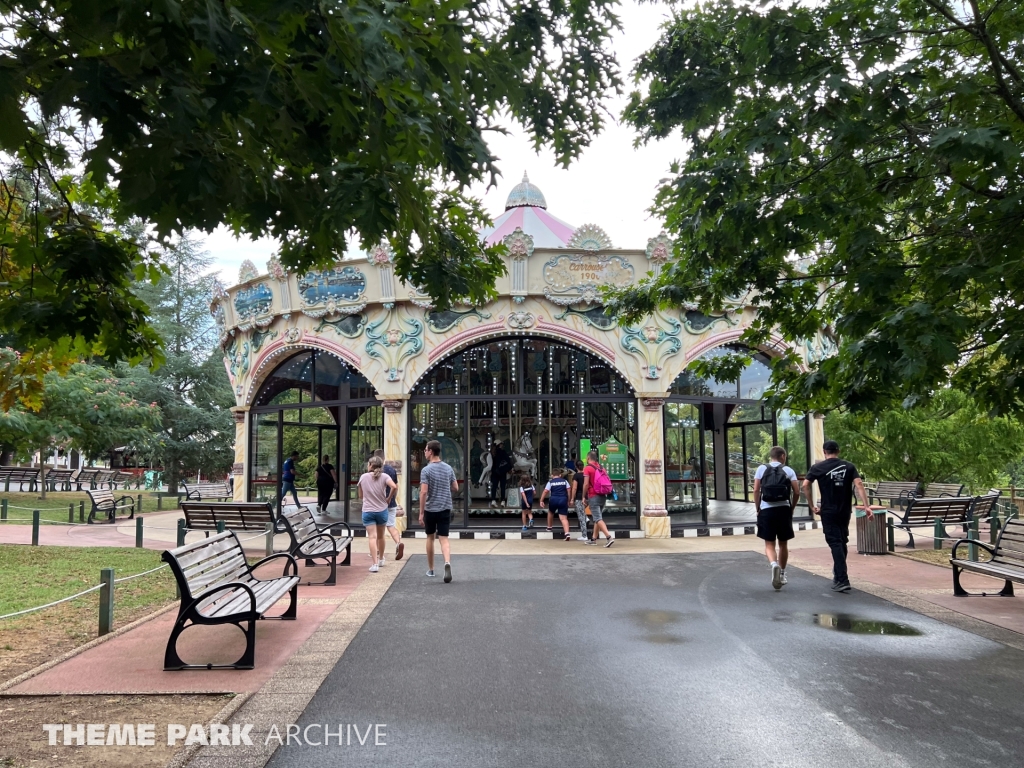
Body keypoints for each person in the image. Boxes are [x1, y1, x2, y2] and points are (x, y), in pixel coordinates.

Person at [803, 440, 872, 593]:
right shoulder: (849, 466)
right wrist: (866, 506)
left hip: (828, 510)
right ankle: (838, 574)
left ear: (824, 451)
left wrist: (811, 504)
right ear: (838, 451)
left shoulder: (817, 468)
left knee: (835, 542)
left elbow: (805, 485)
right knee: (841, 541)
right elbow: (859, 484)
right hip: (844, 510)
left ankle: (842, 579)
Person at [752, 446, 801, 590]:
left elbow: (756, 490)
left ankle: (774, 565)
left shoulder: (761, 469)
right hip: (783, 510)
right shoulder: (788, 470)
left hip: (767, 510)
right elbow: (797, 491)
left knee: (769, 544)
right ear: (783, 456)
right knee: (783, 544)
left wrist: (758, 507)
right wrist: (791, 507)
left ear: (771, 456)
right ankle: (783, 573)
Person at [419, 439, 459, 583]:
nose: (424, 452)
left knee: (430, 537)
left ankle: (431, 569)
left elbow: (424, 492)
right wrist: (445, 488)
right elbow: (456, 488)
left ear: (430, 451)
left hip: (430, 509)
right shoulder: (448, 468)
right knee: (444, 538)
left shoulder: (426, 470)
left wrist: (421, 512)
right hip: (445, 507)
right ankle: (447, 563)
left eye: (425, 450)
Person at [357, 456, 396, 573]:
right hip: (382, 511)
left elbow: (360, 496)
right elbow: (394, 486)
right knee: (381, 536)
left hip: (368, 511)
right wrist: (388, 498)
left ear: (370, 465)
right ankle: (381, 559)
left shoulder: (363, 477)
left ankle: (374, 564)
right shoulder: (385, 476)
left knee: (372, 537)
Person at [374, 449, 404, 561]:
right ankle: (398, 543)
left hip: (378, 504)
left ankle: (377, 551)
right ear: (384, 457)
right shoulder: (391, 469)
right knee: (391, 526)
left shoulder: (375, 470)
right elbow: (395, 486)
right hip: (391, 503)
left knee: (378, 529)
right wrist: (391, 498)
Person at [582, 450, 615, 547]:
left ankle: (609, 537)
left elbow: (586, 484)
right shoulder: (601, 468)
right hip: (602, 495)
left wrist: (583, 496)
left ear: (588, 458)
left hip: (593, 495)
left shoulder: (587, 468)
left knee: (597, 518)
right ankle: (593, 539)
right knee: (598, 518)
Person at [540, 468, 573, 540]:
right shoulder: (565, 481)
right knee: (564, 518)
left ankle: (549, 527)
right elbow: (569, 490)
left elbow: (545, 491)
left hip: (553, 499)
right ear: (560, 475)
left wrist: (541, 500)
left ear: (552, 475)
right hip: (563, 499)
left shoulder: (550, 482)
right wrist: (569, 500)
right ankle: (567, 533)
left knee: (550, 512)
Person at [570, 469, 590, 542]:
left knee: (581, 517)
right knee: (583, 513)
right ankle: (586, 517)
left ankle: (584, 535)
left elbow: (574, 488)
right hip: (588, 497)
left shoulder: (576, 476)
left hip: (579, 497)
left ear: (576, 467)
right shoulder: (586, 475)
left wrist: (572, 498)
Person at [489, 441, 511, 507]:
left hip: (494, 472)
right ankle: (503, 501)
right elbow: (508, 460)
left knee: (494, 487)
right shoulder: (503, 452)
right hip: (502, 472)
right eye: (501, 444)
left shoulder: (492, 453)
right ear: (499, 445)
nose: (502, 445)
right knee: (502, 487)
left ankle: (493, 500)